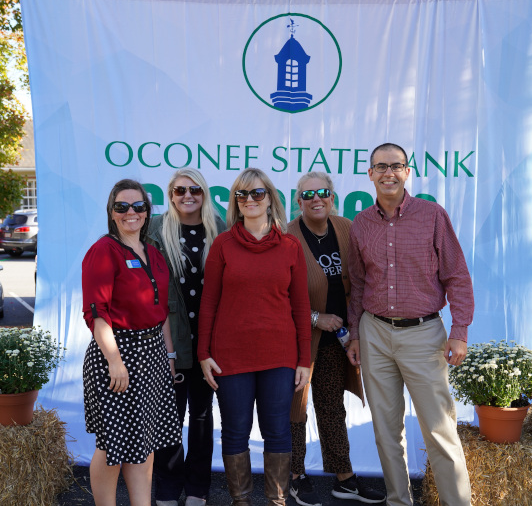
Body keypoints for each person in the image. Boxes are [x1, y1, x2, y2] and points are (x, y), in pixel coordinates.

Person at [346, 143, 473, 506]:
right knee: (386, 431)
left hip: (423, 334)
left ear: (407, 172)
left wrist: (459, 331)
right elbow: (358, 284)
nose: (389, 173)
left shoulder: (432, 215)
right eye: (381, 166)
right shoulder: (361, 223)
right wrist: (355, 334)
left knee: (439, 429)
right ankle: (398, 501)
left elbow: (457, 277)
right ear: (370, 174)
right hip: (374, 334)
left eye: (396, 166)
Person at [197, 168, 312, 506]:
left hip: (279, 355)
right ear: (236, 201)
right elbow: (209, 303)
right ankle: (241, 502)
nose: (250, 200)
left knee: (277, 430)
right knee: (235, 430)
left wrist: (304, 359)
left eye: (257, 194)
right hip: (230, 355)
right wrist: (204, 353)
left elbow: (302, 308)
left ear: (270, 199)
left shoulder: (290, 246)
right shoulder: (223, 244)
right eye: (242, 195)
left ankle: (277, 501)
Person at [286, 172, 386, 506]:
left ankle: (344, 478)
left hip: (335, 341)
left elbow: (358, 282)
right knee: (294, 409)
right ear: (298, 200)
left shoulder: (345, 227)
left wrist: (354, 331)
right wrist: (316, 318)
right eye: (308, 194)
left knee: (331, 408)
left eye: (323, 193)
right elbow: (278, 296)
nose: (316, 199)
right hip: (297, 340)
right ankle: (296, 476)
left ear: (332, 197)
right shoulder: (286, 236)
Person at [82, 179, 183, 506]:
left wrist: (167, 354)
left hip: (153, 354)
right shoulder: (103, 251)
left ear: (146, 212)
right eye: (122, 206)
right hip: (118, 353)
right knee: (112, 446)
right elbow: (98, 314)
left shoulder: (153, 252)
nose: (131, 213)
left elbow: (162, 310)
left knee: (145, 441)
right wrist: (114, 360)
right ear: (111, 212)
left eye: (138, 206)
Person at [148, 169, 226, 506]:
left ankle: (198, 489)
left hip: (209, 343)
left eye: (195, 189)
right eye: (180, 190)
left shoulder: (219, 229)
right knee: (168, 419)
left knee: (202, 419)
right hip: (170, 342)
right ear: (171, 193)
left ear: (204, 193)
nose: (187, 195)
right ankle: (166, 489)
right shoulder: (154, 229)